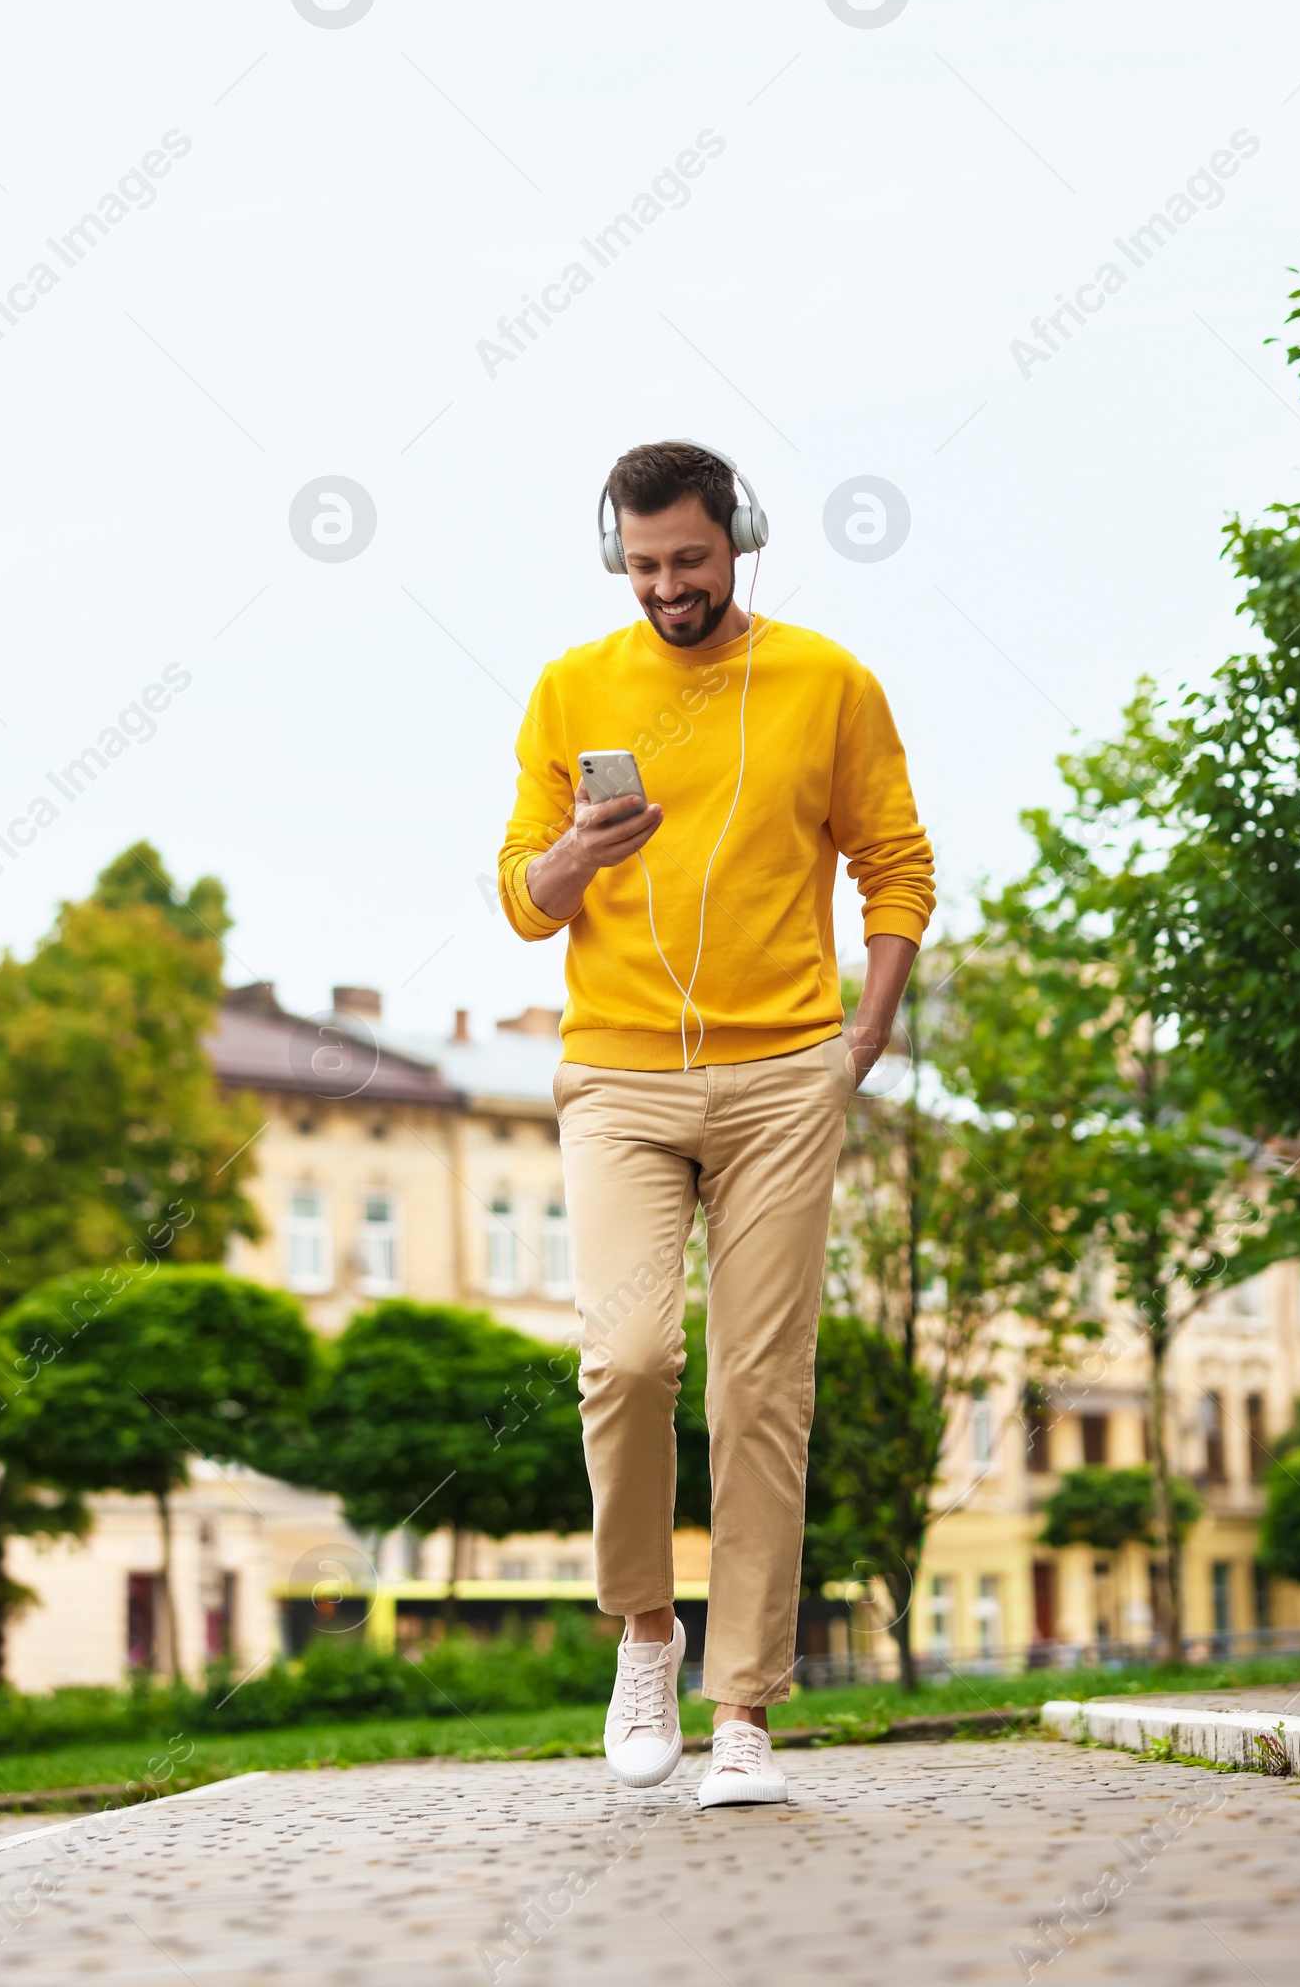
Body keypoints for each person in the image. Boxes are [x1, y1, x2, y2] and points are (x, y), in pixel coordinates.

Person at [498, 440, 934, 1807]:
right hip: (620, 1077)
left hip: (786, 1075)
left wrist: (867, 1031)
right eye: (643, 567)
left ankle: (743, 1705)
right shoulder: (574, 688)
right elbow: (523, 893)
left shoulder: (827, 680)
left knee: (762, 1387)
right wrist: (575, 857)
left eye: (689, 560)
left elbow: (895, 860)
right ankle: (644, 1633)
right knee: (626, 1362)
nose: (668, 589)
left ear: (737, 535)